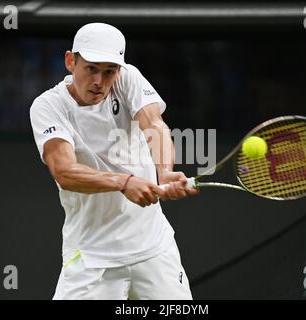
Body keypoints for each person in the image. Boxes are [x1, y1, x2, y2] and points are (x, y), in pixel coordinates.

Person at [29, 22, 198, 300]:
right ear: (71, 61)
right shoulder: (48, 106)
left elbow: (154, 124)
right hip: (91, 257)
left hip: (153, 250)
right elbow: (64, 171)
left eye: (109, 71)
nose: (100, 81)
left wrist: (165, 173)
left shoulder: (128, 78)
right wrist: (125, 182)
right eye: (91, 69)